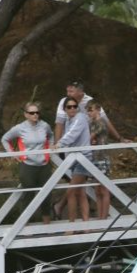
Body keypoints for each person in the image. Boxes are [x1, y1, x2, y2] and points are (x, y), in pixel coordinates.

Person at [1, 103, 55, 224]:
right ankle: (25, 224)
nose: (35, 115)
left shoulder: (44, 125)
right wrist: (12, 154)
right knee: (28, 194)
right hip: (27, 165)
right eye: (32, 113)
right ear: (26, 114)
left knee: (46, 194)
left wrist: (51, 146)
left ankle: (47, 223)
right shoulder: (20, 128)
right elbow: (5, 139)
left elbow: (51, 135)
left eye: (37, 112)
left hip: (44, 165)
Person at [55, 97, 93, 227]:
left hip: (83, 159)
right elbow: (69, 136)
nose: (72, 109)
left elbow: (71, 135)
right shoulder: (68, 120)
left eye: (74, 106)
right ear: (64, 109)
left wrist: (58, 144)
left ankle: (71, 226)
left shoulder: (80, 118)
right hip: (74, 160)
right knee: (80, 192)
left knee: (71, 191)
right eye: (69, 107)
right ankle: (86, 225)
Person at [86, 101, 112, 220]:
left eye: (91, 110)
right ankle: (100, 217)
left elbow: (89, 138)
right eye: (88, 110)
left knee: (104, 189)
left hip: (102, 158)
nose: (89, 112)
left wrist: (91, 140)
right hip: (94, 158)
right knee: (97, 189)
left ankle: (104, 217)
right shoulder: (92, 123)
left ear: (98, 110)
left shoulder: (100, 123)